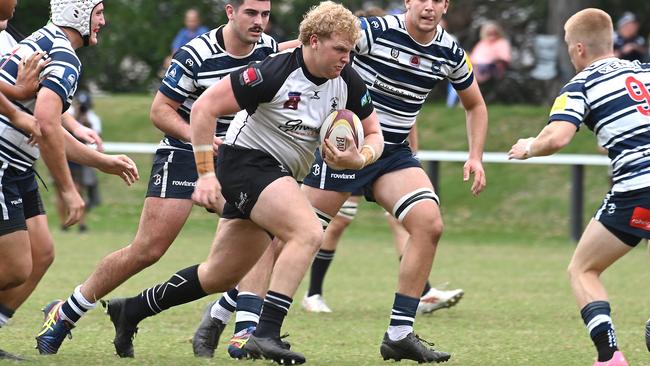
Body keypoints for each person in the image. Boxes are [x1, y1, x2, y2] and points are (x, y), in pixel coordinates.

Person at [102, 2, 383, 364]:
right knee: (308, 231)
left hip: (277, 174)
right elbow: (204, 107)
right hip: (245, 163)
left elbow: (374, 131)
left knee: (220, 274)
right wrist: (205, 174)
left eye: (349, 50)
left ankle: (132, 310)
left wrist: (359, 158)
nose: (346, 58)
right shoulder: (274, 72)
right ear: (313, 42)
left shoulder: (346, 81)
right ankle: (264, 333)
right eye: (339, 49)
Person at [233, 0, 487, 363]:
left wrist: (475, 155)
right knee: (289, 238)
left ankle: (399, 334)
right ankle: (228, 313)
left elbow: (475, 104)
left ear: (446, 5)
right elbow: (308, 46)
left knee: (429, 224)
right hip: (343, 148)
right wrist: (264, 61)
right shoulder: (375, 31)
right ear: (407, 2)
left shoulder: (450, 52)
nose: (429, 6)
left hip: (392, 153)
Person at [34, 0, 288, 356]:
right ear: (230, 11)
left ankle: (245, 331)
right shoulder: (196, 52)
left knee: (264, 228)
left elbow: (297, 51)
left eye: (265, 15)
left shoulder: (267, 49)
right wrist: (198, 139)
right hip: (185, 151)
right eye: (251, 13)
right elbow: (160, 111)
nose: (259, 22)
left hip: (240, 156)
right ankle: (66, 312)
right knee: (148, 250)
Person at [507, 8, 650, 366]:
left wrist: (529, 147)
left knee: (583, 269)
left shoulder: (581, 84)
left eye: (570, 48)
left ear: (580, 49)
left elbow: (557, 137)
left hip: (638, 189)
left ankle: (609, 355)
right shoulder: (643, 72)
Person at [0, 0, 139, 360]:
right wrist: (68, 189)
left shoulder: (46, 41)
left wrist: (100, 161)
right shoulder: (64, 55)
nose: (103, 22)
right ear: (78, 14)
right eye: (98, 13)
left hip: (19, 167)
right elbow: (46, 125)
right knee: (16, 267)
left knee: (41, 253)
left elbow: (47, 126)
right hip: (3, 164)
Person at [302, 126, 464, 315]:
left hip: (389, 157)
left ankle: (423, 293)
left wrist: (412, 154)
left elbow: (410, 119)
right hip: (355, 150)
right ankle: (313, 294)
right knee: (339, 221)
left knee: (404, 221)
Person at [54, 91, 103, 232]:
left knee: (79, 190)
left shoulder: (93, 119)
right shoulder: (68, 114)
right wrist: (75, 121)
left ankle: (81, 223)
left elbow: (96, 139)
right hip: (63, 156)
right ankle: (63, 223)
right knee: (60, 191)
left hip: (80, 159)